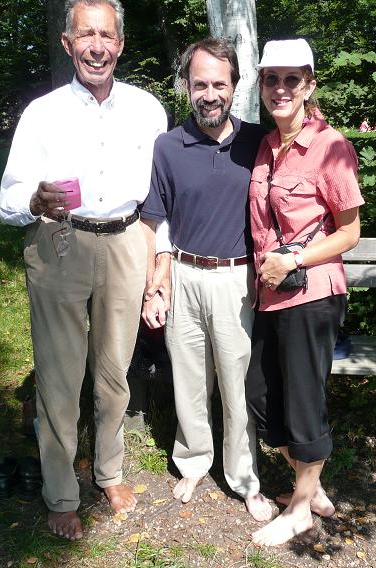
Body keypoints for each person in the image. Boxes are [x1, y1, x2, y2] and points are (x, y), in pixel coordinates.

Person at [0, 0, 168, 540]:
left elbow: (159, 198)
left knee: (115, 372)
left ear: (121, 44)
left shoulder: (148, 110)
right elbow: (7, 201)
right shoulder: (42, 113)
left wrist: (159, 256)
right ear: (68, 43)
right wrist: (34, 201)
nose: (97, 46)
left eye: (107, 36)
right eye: (86, 35)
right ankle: (60, 492)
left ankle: (109, 472)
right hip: (59, 241)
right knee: (59, 375)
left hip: (126, 242)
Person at [140, 38, 272, 522]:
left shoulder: (259, 142)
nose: (210, 94)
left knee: (237, 384)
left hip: (237, 279)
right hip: (184, 274)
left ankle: (244, 477)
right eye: (200, 84)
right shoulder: (168, 146)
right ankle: (194, 461)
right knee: (189, 378)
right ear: (186, 86)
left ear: (235, 86)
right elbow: (156, 221)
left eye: (220, 84)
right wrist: (158, 282)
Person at [246, 38, 364, 546]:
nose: (281, 88)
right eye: (271, 79)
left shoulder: (331, 146)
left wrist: (294, 259)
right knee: (261, 393)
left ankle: (299, 510)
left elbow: (350, 232)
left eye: (292, 79)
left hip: (312, 293)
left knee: (303, 400)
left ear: (309, 85)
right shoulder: (265, 145)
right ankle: (311, 487)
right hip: (270, 295)